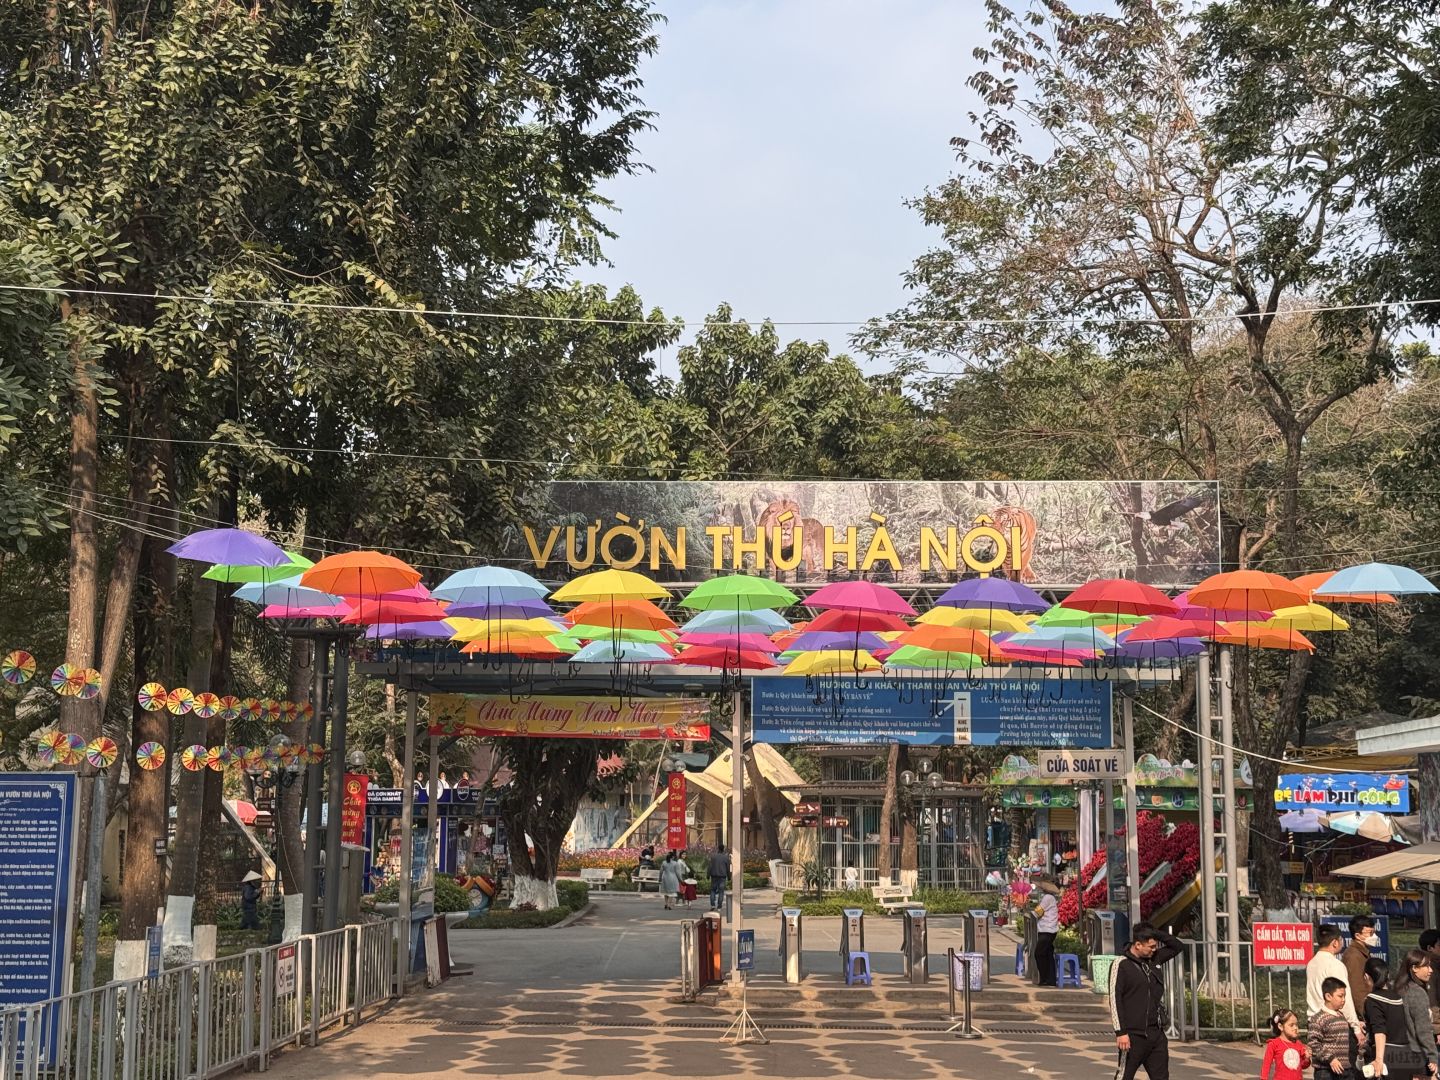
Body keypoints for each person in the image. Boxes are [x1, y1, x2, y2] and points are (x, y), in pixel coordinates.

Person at [1109, 921, 1184, 1080]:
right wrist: (1121, 1032)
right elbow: (1115, 1000)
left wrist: (1153, 933)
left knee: (1161, 1077)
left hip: (1156, 1034)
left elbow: (1177, 946)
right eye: (1150, 946)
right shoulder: (1120, 964)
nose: (1154, 949)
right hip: (1132, 1037)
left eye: (1155, 945)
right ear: (1137, 945)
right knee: (1124, 1076)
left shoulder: (1154, 959)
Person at [1309, 924, 1367, 1047]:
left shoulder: (1311, 963)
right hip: (1333, 1023)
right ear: (1335, 943)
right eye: (1341, 939)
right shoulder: (1335, 965)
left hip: (1314, 1021)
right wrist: (1355, 1027)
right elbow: (1344, 999)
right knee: (1342, 1064)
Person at [1364, 956, 1414, 1080]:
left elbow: (1379, 1030)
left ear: (1366, 976)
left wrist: (1379, 1060)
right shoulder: (1397, 997)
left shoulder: (1373, 999)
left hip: (1386, 1057)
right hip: (1405, 1056)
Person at [1395, 948, 1440, 1077]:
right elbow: (1423, 1029)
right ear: (1414, 968)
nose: (1430, 970)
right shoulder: (1417, 993)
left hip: (1399, 1053)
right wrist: (1433, 1056)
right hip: (1416, 1054)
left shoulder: (1399, 988)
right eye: (1426, 966)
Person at [1309, 976, 1356, 1080]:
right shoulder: (1318, 1019)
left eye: (1344, 996)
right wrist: (1331, 1059)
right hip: (1326, 1071)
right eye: (1340, 996)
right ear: (1328, 996)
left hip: (1345, 1069)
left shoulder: (1341, 1016)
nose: (1343, 1000)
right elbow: (1314, 1044)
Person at [1262, 1009, 1312, 1080]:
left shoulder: (1299, 1044)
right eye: (1291, 1025)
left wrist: (1307, 1058)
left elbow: (1302, 1066)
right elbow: (1266, 1065)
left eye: (1296, 1025)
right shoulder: (1273, 1044)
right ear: (1280, 1026)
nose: (1295, 1028)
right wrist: (1263, 1078)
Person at [1346, 915, 1381, 1015]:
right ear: (1357, 936)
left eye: (1374, 932)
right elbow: (1357, 990)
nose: (1374, 937)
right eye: (1370, 933)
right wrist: (1365, 1015)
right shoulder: (1354, 957)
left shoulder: (1363, 953)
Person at [1032, 876, 1061, 987]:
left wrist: (1032, 910)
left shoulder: (1047, 898)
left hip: (1047, 930)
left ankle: (1045, 978)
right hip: (1050, 930)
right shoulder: (1051, 898)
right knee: (1048, 954)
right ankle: (1050, 979)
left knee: (1039, 954)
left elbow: (1037, 912)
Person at [706, 845, 729, 912]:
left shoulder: (713, 857)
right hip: (722, 877)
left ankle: (712, 905)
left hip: (714, 876)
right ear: (723, 849)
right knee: (721, 892)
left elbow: (709, 867)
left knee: (713, 890)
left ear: (718, 848)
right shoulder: (726, 858)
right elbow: (728, 868)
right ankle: (719, 906)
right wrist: (729, 876)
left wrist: (708, 875)